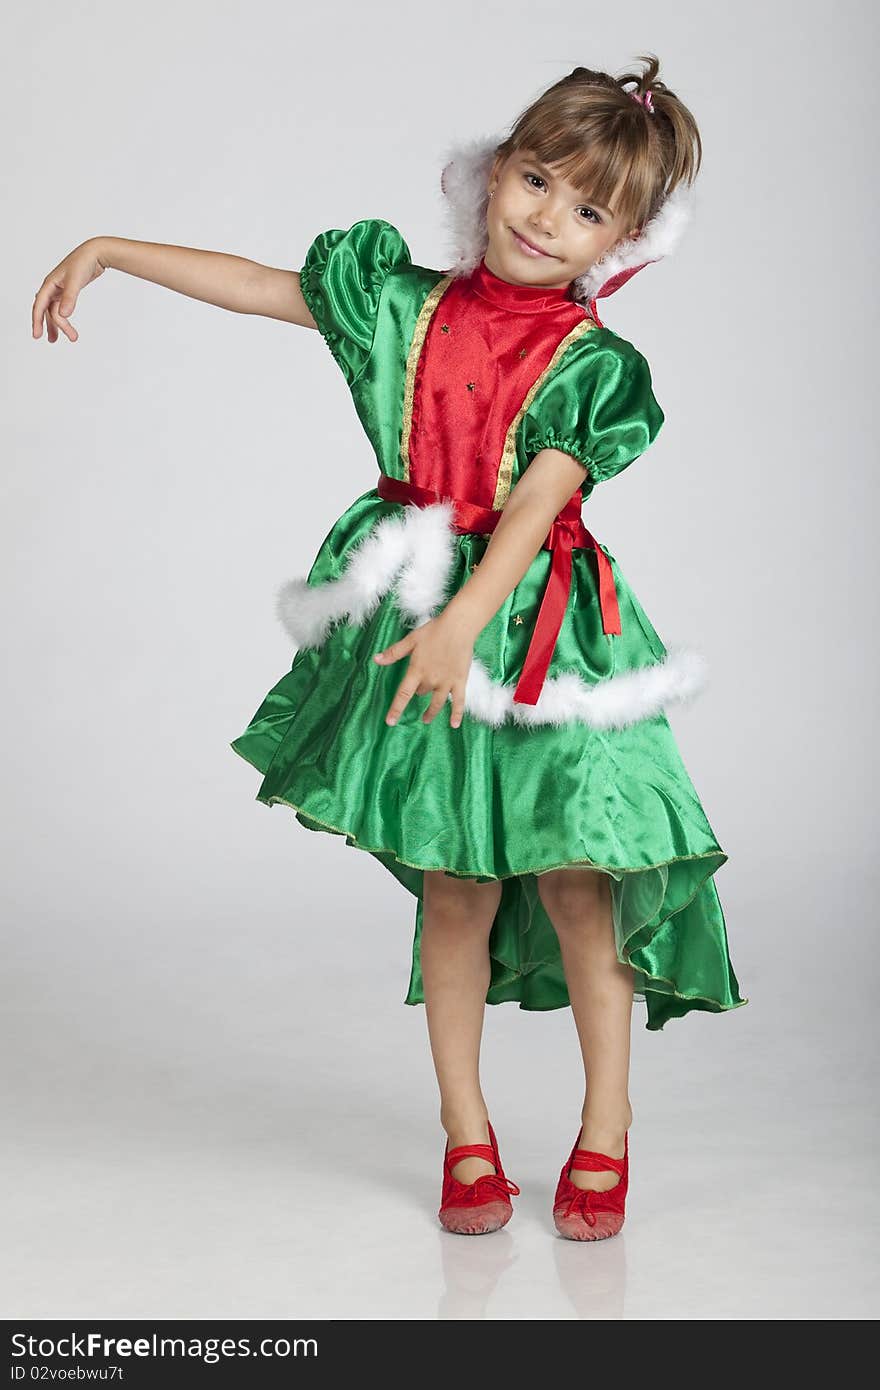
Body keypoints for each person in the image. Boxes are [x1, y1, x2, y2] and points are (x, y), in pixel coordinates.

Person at [32, 54, 746, 1242]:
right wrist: (111, 246)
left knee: (582, 875)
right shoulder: (396, 307)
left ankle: (606, 1123)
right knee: (456, 879)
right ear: (494, 169)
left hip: (546, 637)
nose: (543, 218)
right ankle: (466, 1134)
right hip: (417, 604)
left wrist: (471, 622)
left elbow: (537, 505)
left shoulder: (593, 366)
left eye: (585, 212)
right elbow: (261, 286)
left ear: (619, 242)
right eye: (533, 178)